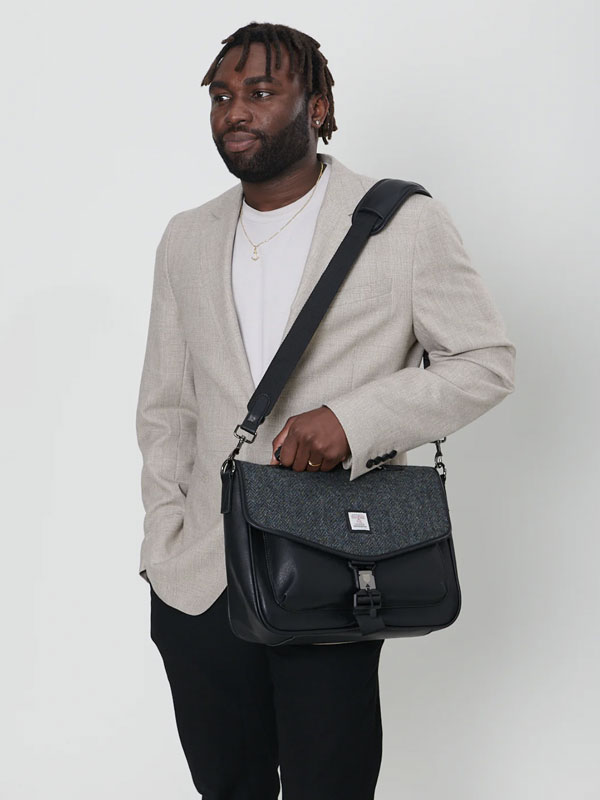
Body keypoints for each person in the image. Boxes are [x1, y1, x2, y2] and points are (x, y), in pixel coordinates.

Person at [135, 20, 516, 800]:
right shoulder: (186, 238)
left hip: (333, 565)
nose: (235, 111)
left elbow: (485, 361)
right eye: (222, 96)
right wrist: (161, 542)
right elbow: (166, 407)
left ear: (317, 107)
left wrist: (353, 421)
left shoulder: (401, 223)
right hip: (198, 576)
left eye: (261, 91)